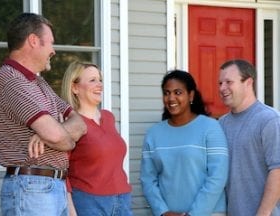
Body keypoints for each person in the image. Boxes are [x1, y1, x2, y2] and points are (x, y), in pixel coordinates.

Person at [0, 13, 87, 216]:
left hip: (50, 186)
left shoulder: (38, 83)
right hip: (31, 187)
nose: (53, 51)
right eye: (50, 43)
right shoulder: (10, 80)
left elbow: (80, 123)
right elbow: (60, 139)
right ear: (34, 41)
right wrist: (62, 137)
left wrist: (49, 133)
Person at [140, 70, 229, 216]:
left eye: (178, 92)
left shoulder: (211, 128)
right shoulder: (153, 134)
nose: (171, 98)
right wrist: (163, 211)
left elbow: (217, 177)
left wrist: (194, 214)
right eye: (166, 93)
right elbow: (148, 179)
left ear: (191, 95)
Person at [61, 60, 133, 216]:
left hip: (122, 200)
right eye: (92, 80)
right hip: (89, 201)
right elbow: (62, 170)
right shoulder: (72, 124)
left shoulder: (108, 117)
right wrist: (71, 210)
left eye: (100, 79)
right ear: (75, 88)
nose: (99, 84)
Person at [218, 59, 280, 216]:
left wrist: (263, 213)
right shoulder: (222, 123)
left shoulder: (269, 119)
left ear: (248, 82)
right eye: (220, 83)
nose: (222, 88)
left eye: (228, 82)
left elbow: (278, 170)